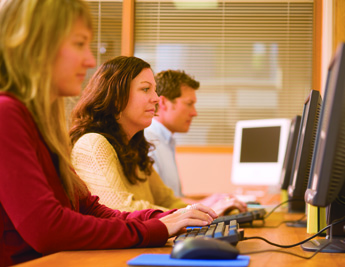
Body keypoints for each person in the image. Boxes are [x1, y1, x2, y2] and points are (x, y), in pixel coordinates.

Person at [0, 1, 216, 266]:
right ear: (34, 45)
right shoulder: (6, 113)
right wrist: (156, 228)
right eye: (79, 44)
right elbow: (48, 228)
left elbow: (91, 209)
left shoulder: (43, 123)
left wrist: (168, 219)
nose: (90, 59)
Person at [69, 57, 244, 216]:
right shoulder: (93, 143)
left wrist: (208, 212)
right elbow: (119, 209)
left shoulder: (134, 147)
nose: (155, 98)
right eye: (145, 89)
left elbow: (167, 200)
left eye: (154, 90)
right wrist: (191, 214)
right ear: (116, 98)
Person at [144, 70, 247, 212]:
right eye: (189, 103)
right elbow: (156, 204)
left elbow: (172, 199)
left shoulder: (166, 140)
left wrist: (212, 199)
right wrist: (208, 203)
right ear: (163, 103)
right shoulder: (148, 142)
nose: (194, 112)